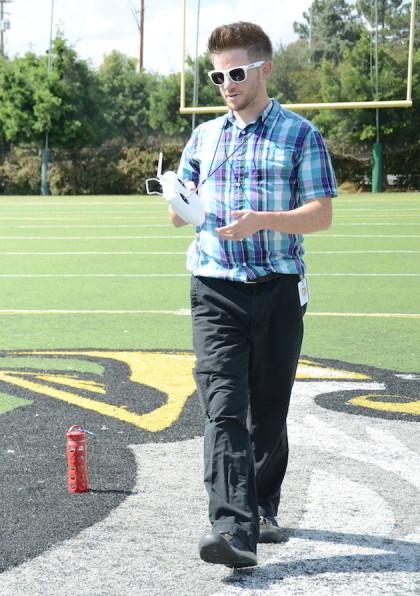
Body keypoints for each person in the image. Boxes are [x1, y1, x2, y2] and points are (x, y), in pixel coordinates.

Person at [171, 22, 337, 568]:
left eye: (236, 72)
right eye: (216, 74)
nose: (225, 83)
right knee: (223, 409)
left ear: (265, 69)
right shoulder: (204, 137)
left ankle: (262, 507)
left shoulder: (300, 135)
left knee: (267, 410)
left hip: (278, 288)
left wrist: (263, 220)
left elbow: (321, 215)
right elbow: (178, 214)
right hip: (214, 287)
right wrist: (177, 200)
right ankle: (232, 528)